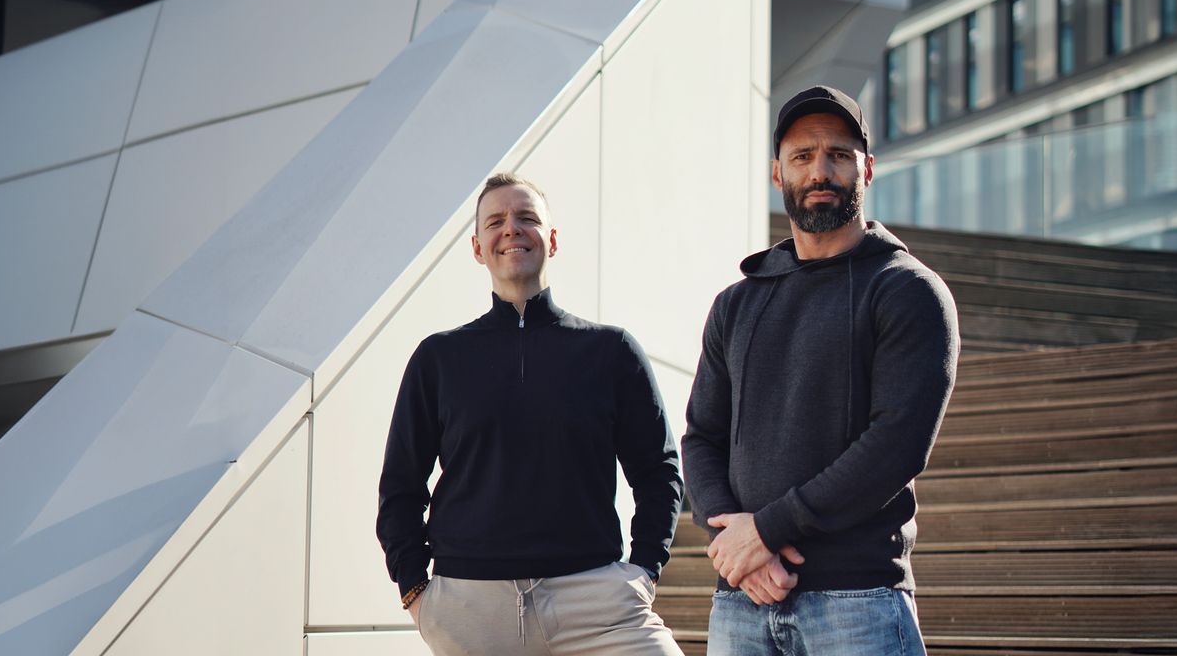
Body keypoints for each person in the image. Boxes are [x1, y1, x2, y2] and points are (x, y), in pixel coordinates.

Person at [682, 86, 960, 654]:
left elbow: (895, 446)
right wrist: (734, 545)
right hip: (742, 601)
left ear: (868, 169)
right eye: (802, 156)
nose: (821, 170)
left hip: (857, 605)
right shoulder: (736, 303)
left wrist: (765, 532)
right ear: (776, 173)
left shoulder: (908, 291)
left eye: (838, 154)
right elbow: (701, 438)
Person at [377, 173, 686, 656]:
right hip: (471, 606)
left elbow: (659, 471)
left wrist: (645, 569)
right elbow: (400, 487)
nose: (512, 229)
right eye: (496, 221)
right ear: (478, 248)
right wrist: (416, 592)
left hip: (595, 600)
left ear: (553, 240)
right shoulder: (438, 358)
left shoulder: (611, 351)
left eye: (527, 218)